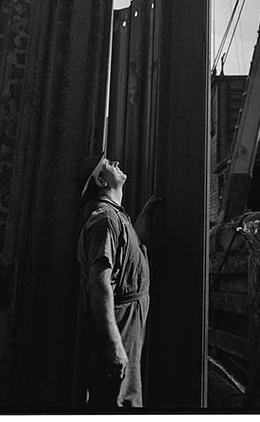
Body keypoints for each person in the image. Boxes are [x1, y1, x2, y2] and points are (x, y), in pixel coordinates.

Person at [75, 153, 160, 409]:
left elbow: (131, 247)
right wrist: (115, 345)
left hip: (127, 325)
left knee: (126, 398)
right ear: (101, 181)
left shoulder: (117, 218)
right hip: (119, 327)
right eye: (109, 165)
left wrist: (145, 214)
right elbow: (99, 284)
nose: (117, 164)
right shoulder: (105, 220)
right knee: (118, 403)